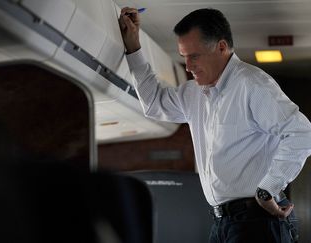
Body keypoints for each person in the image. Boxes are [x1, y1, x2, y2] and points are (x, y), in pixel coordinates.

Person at [119, 7, 311, 243]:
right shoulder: (194, 94)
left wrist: (267, 188)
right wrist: (134, 48)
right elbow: (154, 103)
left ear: (221, 47)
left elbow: (302, 134)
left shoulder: (251, 84)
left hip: (257, 221)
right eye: (184, 57)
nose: (187, 66)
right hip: (223, 223)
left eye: (194, 56)